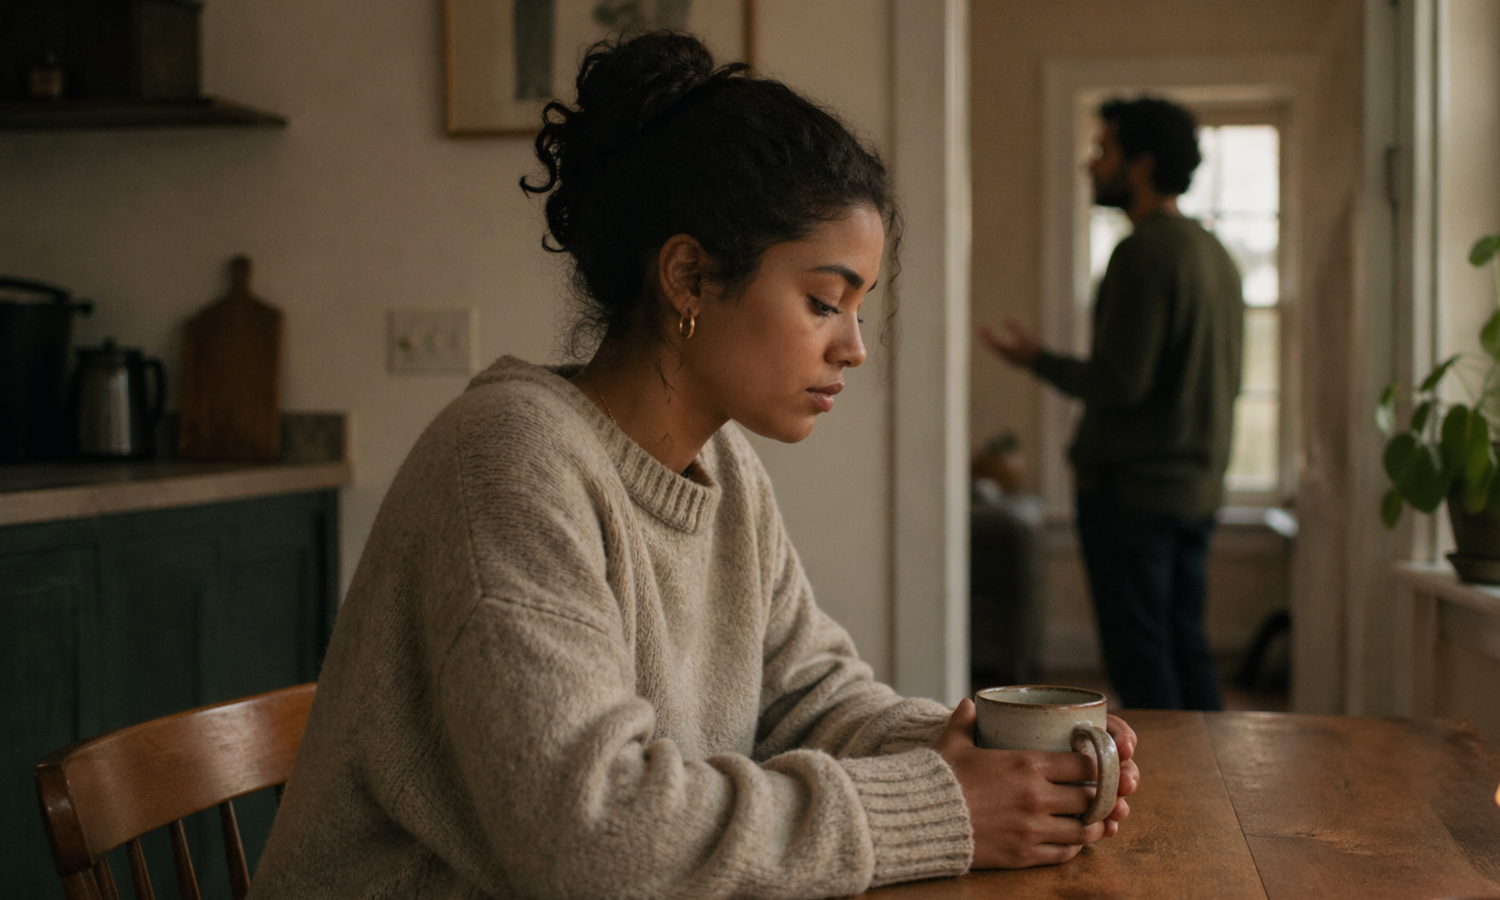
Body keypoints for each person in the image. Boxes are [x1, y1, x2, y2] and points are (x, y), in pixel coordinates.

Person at [249, 33, 1139, 900]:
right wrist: (940, 806)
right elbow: (592, 836)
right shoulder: (508, 463)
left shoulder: (723, 471)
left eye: (857, 308)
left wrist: (990, 757)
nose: (854, 348)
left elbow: (810, 697)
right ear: (687, 275)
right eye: (824, 300)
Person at [979, 96, 1244, 712]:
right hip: (1197, 493)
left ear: (1142, 164)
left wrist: (1035, 358)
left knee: (1142, 663)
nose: (1091, 164)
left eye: (1105, 150)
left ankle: (1173, 803)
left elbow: (1122, 383)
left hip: (1133, 497)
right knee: (1187, 648)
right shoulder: (1216, 256)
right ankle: (1217, 793)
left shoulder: (1143, 253)